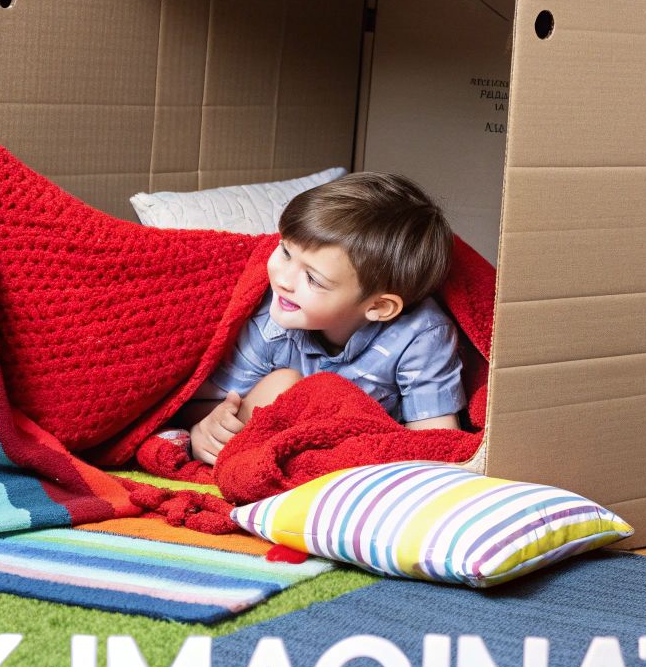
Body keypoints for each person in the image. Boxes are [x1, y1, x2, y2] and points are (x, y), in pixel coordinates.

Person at [176, 170, 464, 465]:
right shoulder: (274, 315)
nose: (284, 280)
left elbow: (436, 443)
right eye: (285, 252)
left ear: (378, 306)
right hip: (271, 447)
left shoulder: (421, 334)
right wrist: (207, 429)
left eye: (313, 279)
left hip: (358, 455)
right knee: (283, 382)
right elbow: (199, 404)